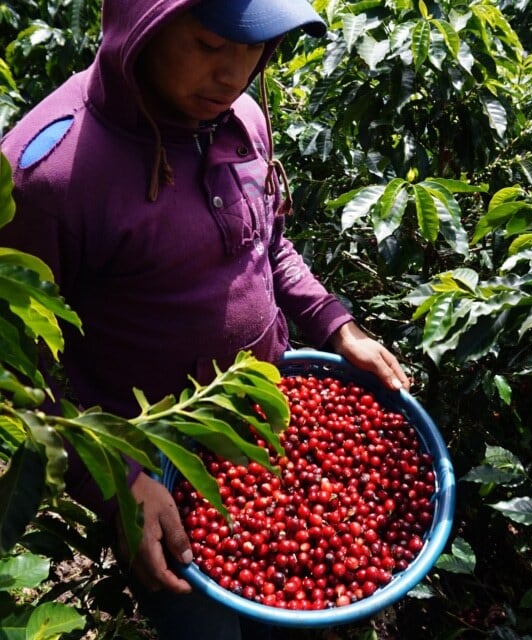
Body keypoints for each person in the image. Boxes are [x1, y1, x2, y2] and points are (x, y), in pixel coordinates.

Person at [0, 0, 410, 637]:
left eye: (253, 48)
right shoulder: (48, 175)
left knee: (285, 608)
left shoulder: (240, 117)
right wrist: (122, 483)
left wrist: (335, 324)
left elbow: (266, 241)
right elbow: (20, 367)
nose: (234, 73)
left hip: (260, 424)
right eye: (210, 44)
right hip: (158, 469)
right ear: (144, 29)